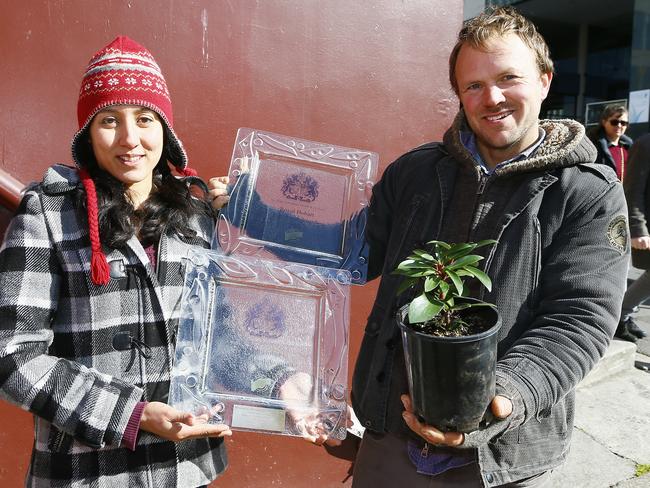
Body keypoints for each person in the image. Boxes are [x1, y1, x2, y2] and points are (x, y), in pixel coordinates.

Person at [0, 36, 311, 487]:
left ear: (164, 128)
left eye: (144, 119)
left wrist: (279, 381)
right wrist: (133, 414)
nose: (130, 139)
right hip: (86, 474)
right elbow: (12, 355)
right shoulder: (46, 216)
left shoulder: (195, 217)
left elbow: (215, 343)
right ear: (87, 132)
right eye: (109, 120)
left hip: (183, 470)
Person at [349, 7, 629, 487]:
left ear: (544, 80)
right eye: (472, 86)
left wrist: (500, 395)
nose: (491, 98)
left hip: (502, 457)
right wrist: (255, 208)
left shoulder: (585, 191)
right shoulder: (416, 173)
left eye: (508, 78)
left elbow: (581, 317)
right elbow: (353, 252)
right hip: (392, 434)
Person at [615, 133, 650, 342]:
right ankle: (620, 315)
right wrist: (638, 228)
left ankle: (622, 315)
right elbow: (633, 189)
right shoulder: (644, 144)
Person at [587, 104, 632, 181]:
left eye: (623, 123)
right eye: (614, 122)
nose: (619, 125)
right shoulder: (592, 145)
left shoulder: (629, 147)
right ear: (604, 122)